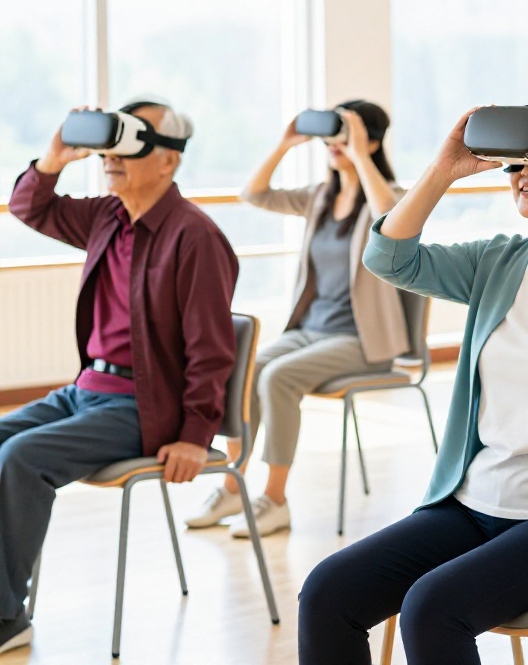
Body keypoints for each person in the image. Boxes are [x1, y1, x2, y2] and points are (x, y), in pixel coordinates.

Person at [298, 104, 528, 665]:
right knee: (327, 592)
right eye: (519, 163)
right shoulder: (498, 262)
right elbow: (388, 256)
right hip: (469, 504)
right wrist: (443, 168)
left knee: (430, 608)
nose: (527, 173)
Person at [0, 102, 238, 655]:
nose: (112, 156)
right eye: (110, 145)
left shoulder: (196, 237)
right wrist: (56, 156)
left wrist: (196, 435)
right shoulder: (106, 216)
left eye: (131, 145)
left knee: (21, 461)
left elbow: (211, 348)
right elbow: (28, 206)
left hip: (142, 406)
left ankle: (7, 618)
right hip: (84, 392)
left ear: (168, 162)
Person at [186, 101, 405, 538]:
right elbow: (253, 193)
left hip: (363, 342)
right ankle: (233, 486)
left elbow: (390, 219)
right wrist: (286, 143)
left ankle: (275, 499)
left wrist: (359, 153)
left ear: (371, 141)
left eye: (345, 134)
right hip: (311, 331)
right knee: (246, 369)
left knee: (278, 378)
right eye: (332, 134)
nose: (334, 143)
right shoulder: (320, 197)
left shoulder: (392, 195)